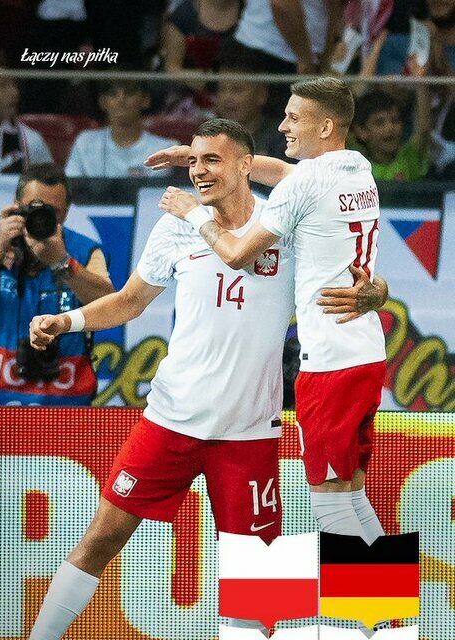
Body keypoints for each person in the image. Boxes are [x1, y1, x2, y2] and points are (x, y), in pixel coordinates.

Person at [0, 118, 384, 640]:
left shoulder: (286, 226)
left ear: (246, 165)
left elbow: (354, 266)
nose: (199, 172)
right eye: (194, 161)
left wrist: (377, 292)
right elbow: (128, 301)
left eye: (212, 160)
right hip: (170, 419)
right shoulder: (176, 226)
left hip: (249, 431)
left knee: (261, 574)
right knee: (102, 536)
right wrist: (65, 320)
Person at [159, 78, 388, 550]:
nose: (282, 125)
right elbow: (286, 173)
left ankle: (364, 601)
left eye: (294, 117)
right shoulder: (357, 169)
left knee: (331, 505)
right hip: (365, 354)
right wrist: (206, 159)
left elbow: (237, 253)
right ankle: (390, 601)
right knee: (352, 497)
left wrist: (192, 213)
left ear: (325, 127)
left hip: (329, 364)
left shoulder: (304, 183)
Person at [0, 164, 114, 406]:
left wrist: (61, 261)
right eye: (34, 207)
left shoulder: (85, 251)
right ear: (16, 204)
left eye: (52, 211)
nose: (40, 216)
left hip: (61, 398)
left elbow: (111, 310)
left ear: (66, 213)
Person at [65, 80, 178, 178]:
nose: (121, 100)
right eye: (113, 94)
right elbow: (72, 187)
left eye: (129, 93)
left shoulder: (164, 148)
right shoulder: (85, 142)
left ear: (145, 100)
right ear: (102, 102)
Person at [351, 86, 431, 181]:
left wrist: (421, 85)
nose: (390, 128)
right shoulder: (355, 164)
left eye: (395, 120)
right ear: (361, 131)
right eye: (379, 123)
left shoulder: (409, 156)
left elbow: (424, 128)